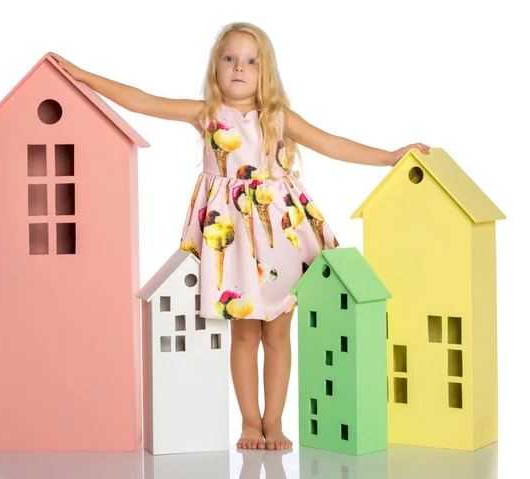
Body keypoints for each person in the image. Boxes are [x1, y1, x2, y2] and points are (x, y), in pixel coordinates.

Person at [49, 22, 429, 452]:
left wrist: (389, 157)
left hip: (282, 239)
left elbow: (333, 144)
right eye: (229, 58)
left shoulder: (279, 118)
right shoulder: (206, 114)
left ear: (265, 73)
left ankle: (275, 422)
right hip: (233, 241)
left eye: (251, 61)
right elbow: (143, 100)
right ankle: (250, 423)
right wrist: (84, 76)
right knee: (244, 336)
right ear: (215, 67)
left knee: (279, 335)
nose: (239, 68)